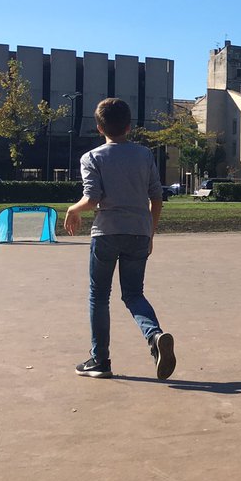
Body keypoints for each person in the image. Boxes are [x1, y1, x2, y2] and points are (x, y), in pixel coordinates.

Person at [64, 97, 176, 380]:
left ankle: (100, 360)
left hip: (107, 233)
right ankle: (154, 336)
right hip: (138, 231)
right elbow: (157, 197)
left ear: (99, 128)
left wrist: (73, 208)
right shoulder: (144, 155)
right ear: (129, 126)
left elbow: (92, 198)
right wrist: (150, 232)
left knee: (99, 295)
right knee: (134, 294)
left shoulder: (92, 157)